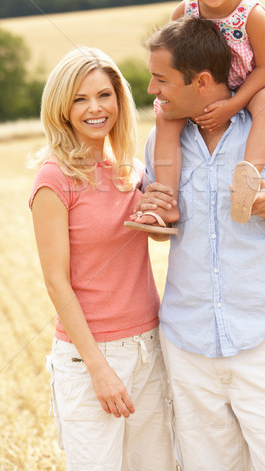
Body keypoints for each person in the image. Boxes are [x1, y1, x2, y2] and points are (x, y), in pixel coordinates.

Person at [135, 16, 265, 471]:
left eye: (162, 79)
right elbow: (161, 232)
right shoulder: (161, 144)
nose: (152, 90)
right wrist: (151, 215)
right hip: (187, 350)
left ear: (203, 81)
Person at [29, 47, 176, 471]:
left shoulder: (129, 170)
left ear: (119, 100)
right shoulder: (53, 178)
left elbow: (161, 238)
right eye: (79, 99)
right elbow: (56, 282)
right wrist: (99, 368)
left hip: (150, 346)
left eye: (103, 95)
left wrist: (159, 209)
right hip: (89, 356)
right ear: (62, 108)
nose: (95, 108)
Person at [140, 0, 265, 233]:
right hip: (204, 90)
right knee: (165, 119)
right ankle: (166, 202)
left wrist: (233, 104)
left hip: (250, 84)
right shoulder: (186, 12)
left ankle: (247, 182)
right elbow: (175, 62)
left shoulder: (251, 14)